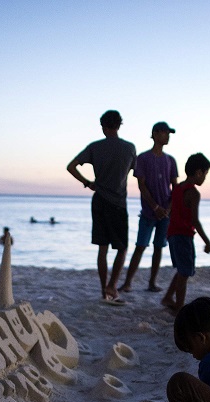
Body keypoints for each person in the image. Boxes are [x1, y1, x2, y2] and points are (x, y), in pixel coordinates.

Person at [66, 110, 137, 305]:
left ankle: (103, 288)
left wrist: (87, 182)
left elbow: (71, 166)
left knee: (102, 248)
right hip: (118, 202)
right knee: (121, 248)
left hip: (99, 201)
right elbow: (136, 172)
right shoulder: (129, 148)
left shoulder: (95, 147)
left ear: (103, 127)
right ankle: (112, 286)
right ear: (119, 125)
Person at [119, 122, 179, 294]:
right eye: (165, 133)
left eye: (169, 133)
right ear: (155, 134)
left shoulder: (170, 160)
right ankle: (128, 282)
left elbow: (175, 187)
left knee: (159, 247)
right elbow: (142, 185)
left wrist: (168, 209)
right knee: (141, 246)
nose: (167, 136)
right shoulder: (143, 158)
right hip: (148, 212)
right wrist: (155, 206)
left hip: (165, 213)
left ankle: (152, 282)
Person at [161, 153, 210, 312]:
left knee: (182, 270)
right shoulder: (193, 193)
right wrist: (207, 241)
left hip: (172, 234)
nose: (204, 178)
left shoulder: (178, 188)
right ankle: (179, 306)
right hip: (183, 235)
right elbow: (195, 221)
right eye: (205, 174)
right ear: (198, 172)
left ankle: (168, 297)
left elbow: (171, 210)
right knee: (184, 273)